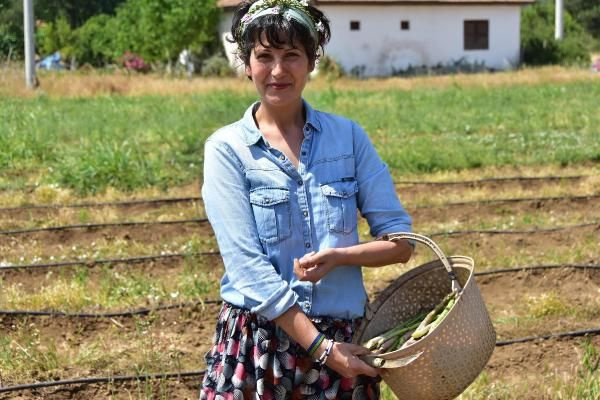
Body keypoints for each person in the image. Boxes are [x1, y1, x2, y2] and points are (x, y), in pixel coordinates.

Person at [200, 0, 414, 398]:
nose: (278, 71)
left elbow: (400, 243)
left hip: (345, 343)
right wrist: (320, 348)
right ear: (247, 63)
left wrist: (339, 258)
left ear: (312, 62)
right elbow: (247, 269)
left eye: (292, 56)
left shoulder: (347, 138)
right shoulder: (228, 150)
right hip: (261, 346)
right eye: (264, 56)